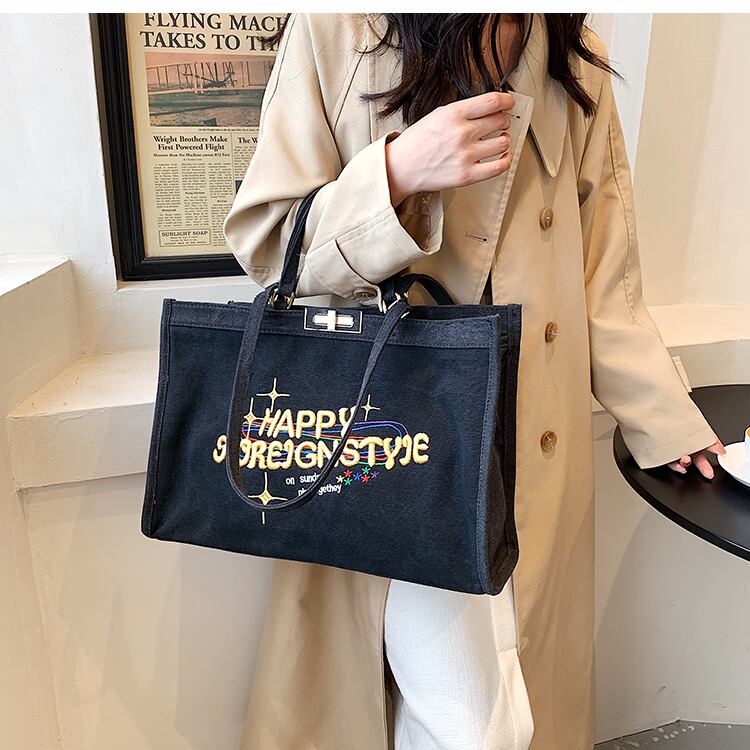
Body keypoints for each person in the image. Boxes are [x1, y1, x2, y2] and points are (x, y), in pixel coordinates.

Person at [223, 13, 726, 750]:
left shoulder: (569, 52)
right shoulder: (340, 27)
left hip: (531, 446)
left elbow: (604, 279)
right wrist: (397, 171)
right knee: (471, 723)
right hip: (392, 442)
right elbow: (271, 244)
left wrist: (664, 417)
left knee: (513, 708)